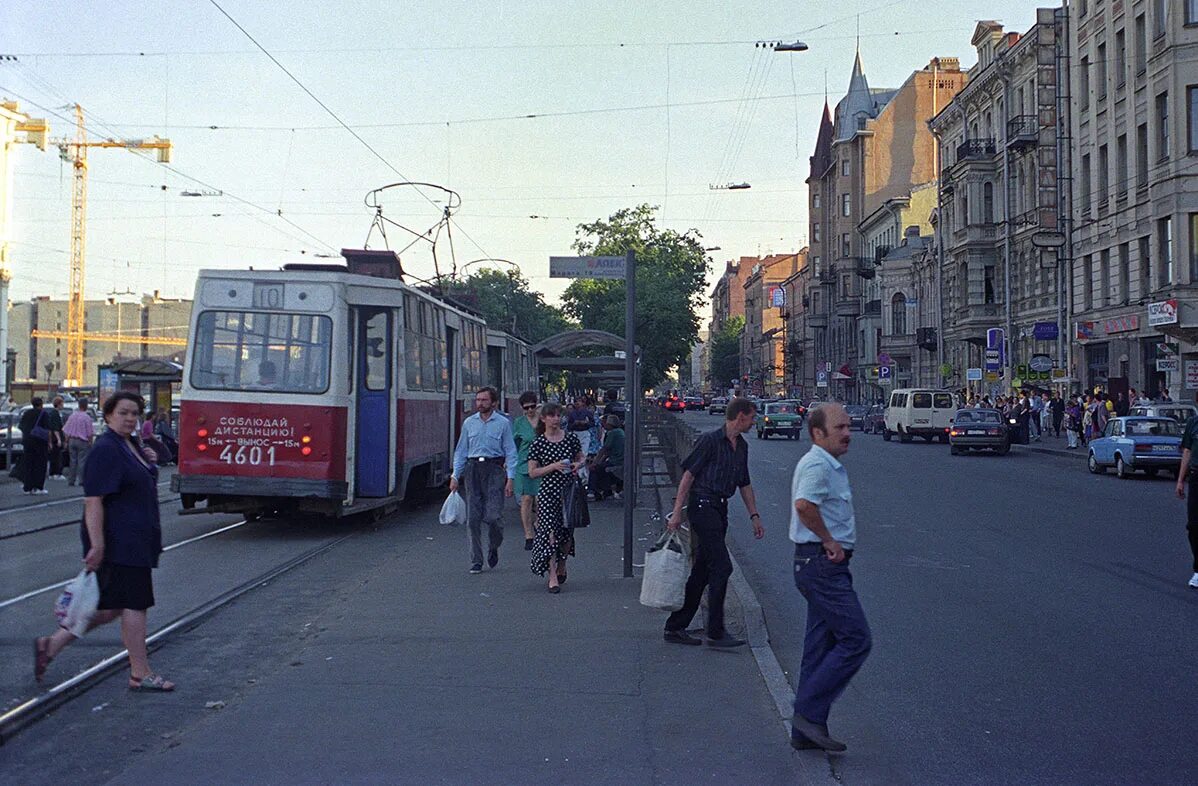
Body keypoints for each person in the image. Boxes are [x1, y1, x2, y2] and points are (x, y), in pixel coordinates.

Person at [33, 392, 174, 691]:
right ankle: (140, 672)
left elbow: (138, 481)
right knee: (136, 604)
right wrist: (97, 545)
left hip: (135, 540)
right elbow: (93, 501)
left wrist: (149, 461)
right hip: (121, 542)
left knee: (110, 608)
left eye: (135, 414)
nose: (130, 419)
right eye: (123, 413)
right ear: (108, 415)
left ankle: (51, 645)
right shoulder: (106, 449)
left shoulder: (130, 444)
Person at [789, 403, 871, 753]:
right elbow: (804, 505)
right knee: (856, 639)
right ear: (817, 433)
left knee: (818, 647)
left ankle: (805, 732)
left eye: (848, 426)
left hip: (821, 564)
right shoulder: (817, 464)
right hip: (821, 564)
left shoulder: (828, 464)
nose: (848, 433)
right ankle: (806, 713)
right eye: (840, 428)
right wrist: (828, 539)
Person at [662, 397, 765, 648]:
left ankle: (675, 627)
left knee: (702, 571)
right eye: (752, 417)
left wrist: (754, 515)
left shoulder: (741, 446)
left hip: (719, 507)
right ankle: (716, 632)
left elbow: (744, 482)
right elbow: (688, 476)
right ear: (740, 416)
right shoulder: (709, 440)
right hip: (702, 505)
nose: (754, 422)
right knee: (722, 566)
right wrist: (677, 512)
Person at [450, 387, 518, 574]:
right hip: (473, 469)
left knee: (493, 516)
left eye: (484, 400)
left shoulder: (503, 423)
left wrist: (510, 478)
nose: (480, 403)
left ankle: (494, 546)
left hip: (495, 469)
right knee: (473, 518)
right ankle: (476, 560)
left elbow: (511, 451)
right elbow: (461, 451)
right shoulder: (469, 423)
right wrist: (455, 475)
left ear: (493, 403)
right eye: (478, 400)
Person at [526, 403, 584, 593]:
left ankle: (562, 563)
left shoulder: (570, 439)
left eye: (558, 415)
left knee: (567, 532)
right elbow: (533, 472)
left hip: (568, 492)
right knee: (549, 532)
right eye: (551, 415)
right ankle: (552, 575)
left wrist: (577, 465)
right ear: (543, 419)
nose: (556, 419)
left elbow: (582, 457)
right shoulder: (538, 443)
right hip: (548, 492)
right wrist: (553, 466)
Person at [511, 391, 541, 551]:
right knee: (527, 499)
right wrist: (510, 463)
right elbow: (514, 444)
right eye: (526, 408)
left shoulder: (544, 420)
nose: (530, 410)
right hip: (523, 464)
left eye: (532, 406)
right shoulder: (519, 423)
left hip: (542, 465)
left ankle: (538, 523)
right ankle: (529, 534)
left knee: (541, 499)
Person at [1175, 393, 1198, 590]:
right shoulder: (1193, 423)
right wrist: (1180, 480)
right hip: (1196, 478)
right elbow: (1187, 452)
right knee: (1193, 525)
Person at [19, 397, 52, 495]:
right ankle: (38, 487)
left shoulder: (27, 413)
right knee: (40, 464)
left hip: (28, 441)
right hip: (40, 442)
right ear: (41, 404)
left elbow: (21, 426)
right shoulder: (44, 414)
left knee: (29, 464)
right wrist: (50, 443)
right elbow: (48, 430)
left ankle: (27, 487)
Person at [588, 414, 625, 501]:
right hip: (619, 460)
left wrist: (594, 464)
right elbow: (607, 453)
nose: (603, 425)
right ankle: (606, 492)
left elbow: (604, 450)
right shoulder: (619, 432)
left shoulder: (613, 433)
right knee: (601, 468)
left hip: (617, 461)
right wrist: (599, 462)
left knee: (594, 470)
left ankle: (591, 492)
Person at [63, 399, 96, 486]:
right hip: (82, 441)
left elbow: (66, 430)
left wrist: (66, 441)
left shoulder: (72, 416)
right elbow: (90, 432)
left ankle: (71, 480)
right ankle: (81, 480)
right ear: (86, 406)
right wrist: (90, 442)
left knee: (72, 461)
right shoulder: (86, 417)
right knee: (82, 461)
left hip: (72, 440)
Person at [48, 396, 67, 480]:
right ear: (58, 404)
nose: (63, 405)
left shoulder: (53, 413)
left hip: (52, 438)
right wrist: (59, 439)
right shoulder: (55, 414)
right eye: (62, 403)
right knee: (57, 456)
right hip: (55, 438)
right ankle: (57, 473)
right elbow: (55, 428)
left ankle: (52, 473)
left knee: (53, 456)